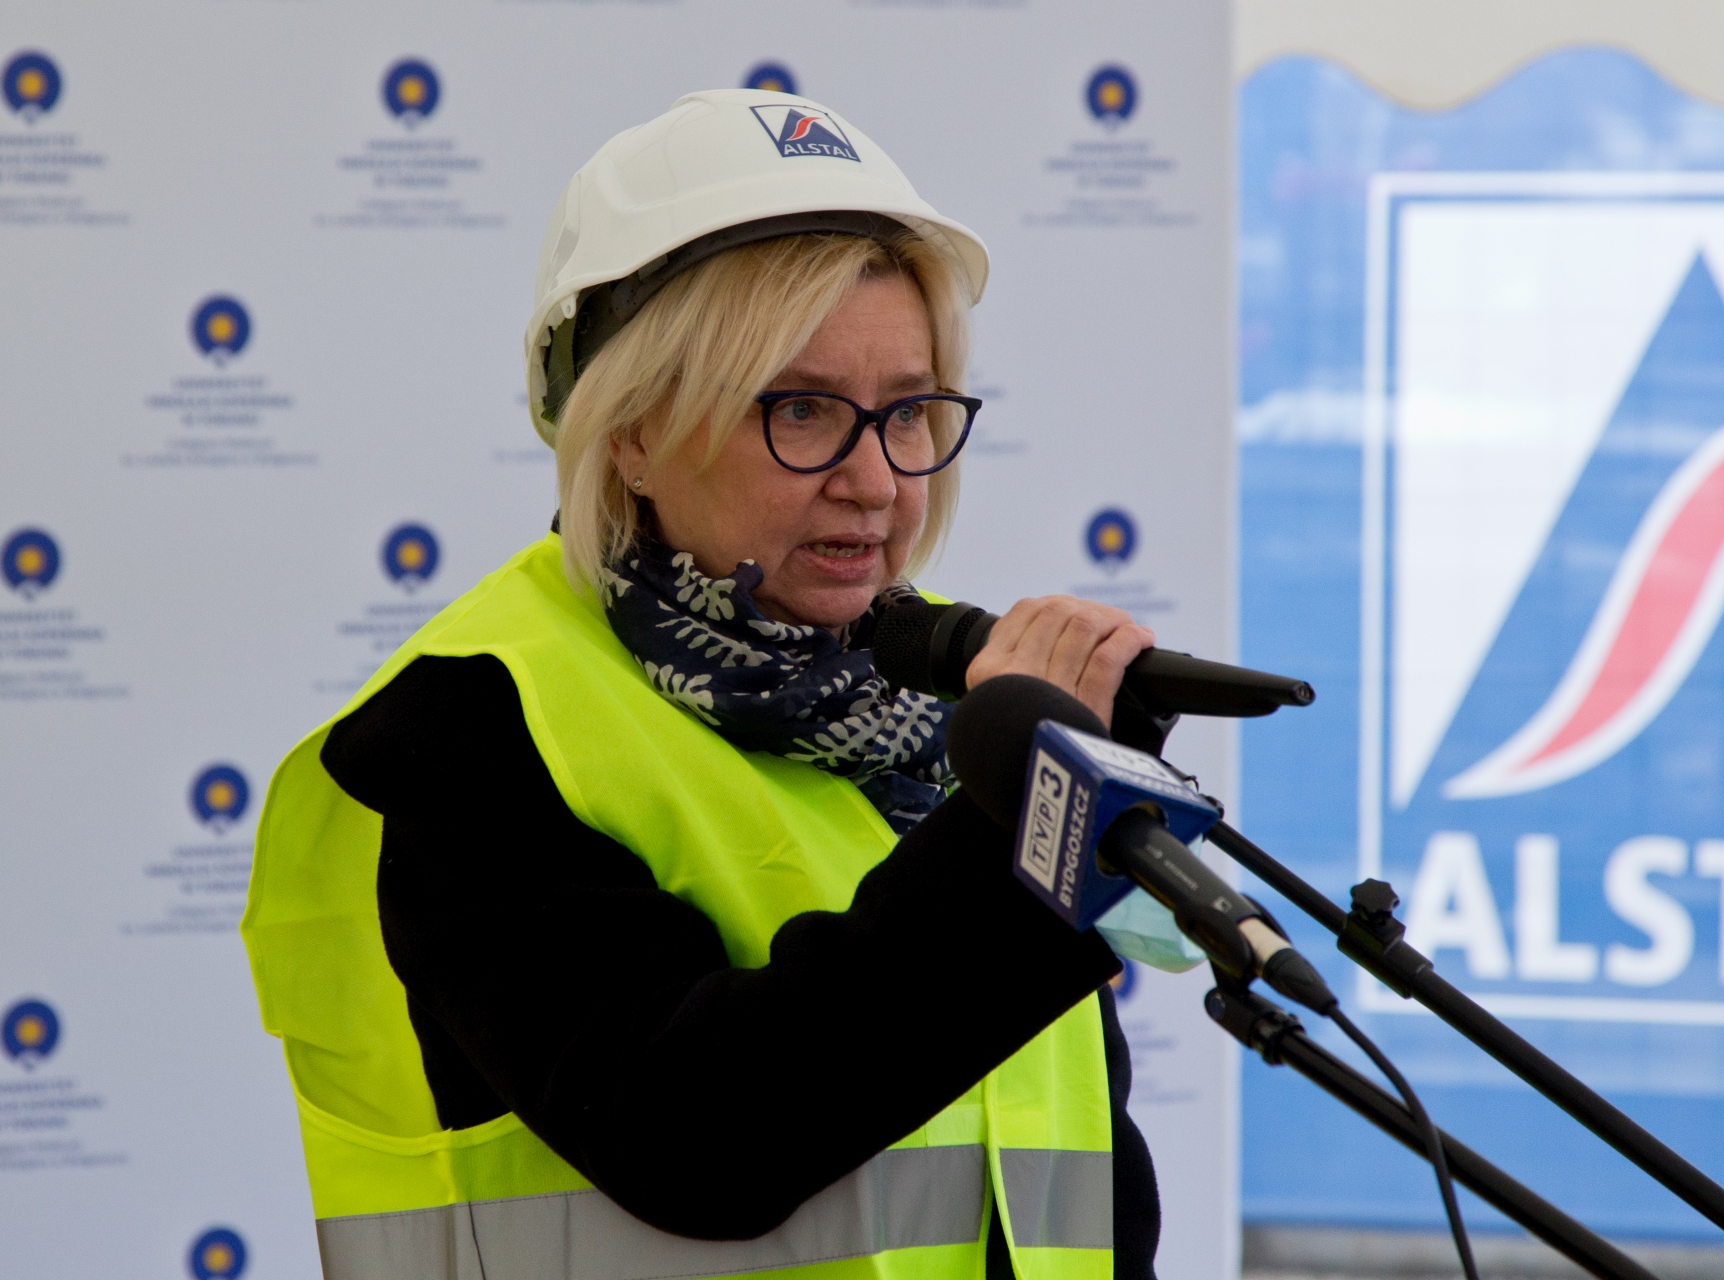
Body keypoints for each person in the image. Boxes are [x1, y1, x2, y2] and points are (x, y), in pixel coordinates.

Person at [241, 89, 1164, 1280]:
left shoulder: (939, 707)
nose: (877, 480)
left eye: (908, 412)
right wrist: (1025, 826)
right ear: (628, 428)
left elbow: (1080, 1175)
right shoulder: (469, 725)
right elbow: (693, 1133)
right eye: (802, 409)